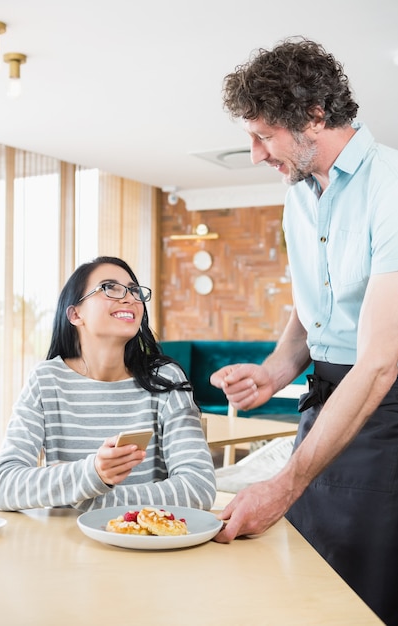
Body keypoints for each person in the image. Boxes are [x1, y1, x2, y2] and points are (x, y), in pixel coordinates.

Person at [210, 37, 398, 625]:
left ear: (313, 116)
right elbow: (311, 307)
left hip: (381, 408)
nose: (255, 155)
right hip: (323, 401)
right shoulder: (300, 194)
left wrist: (284, 483)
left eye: (263, 135)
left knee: (362, 590)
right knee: (309, 581)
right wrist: (274, 370)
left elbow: (379, 361)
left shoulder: (390, 185)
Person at [0, 256, 216, 513]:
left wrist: (87, 496)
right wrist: (93, 471)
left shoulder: (166, 380)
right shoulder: (46, 380)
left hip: (149, 547)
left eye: (133, 290)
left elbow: (199, 489)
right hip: (67, 546)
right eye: (110, 288)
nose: (129, 298)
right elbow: (2, 485)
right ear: (75, 314)